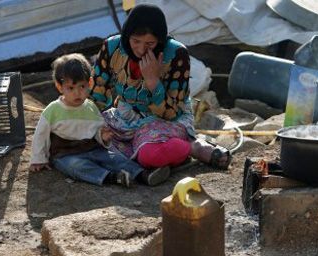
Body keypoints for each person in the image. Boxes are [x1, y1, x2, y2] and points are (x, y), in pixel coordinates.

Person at [89, 4, 232, 172]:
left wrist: (153, 81)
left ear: (160, 41)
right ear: (127, 35)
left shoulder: (176, 54)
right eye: (135, 41)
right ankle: (165, 152)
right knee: (86, 137)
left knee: (149, 154)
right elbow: (97, 93)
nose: (141, 50)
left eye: (150, 43)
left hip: (163, 120)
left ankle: (193, 148)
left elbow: (172, 113)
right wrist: (90, 122)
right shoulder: (112, 47)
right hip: (124, 116)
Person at [29, 53, 170, 186]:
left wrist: (103, 136)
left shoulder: (90, 107)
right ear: (60, 87)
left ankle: (143, 175)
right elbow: (40, 136)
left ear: (90, 83)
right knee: (76, 167)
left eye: (82, 87)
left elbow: (97, 128)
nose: (77, 93)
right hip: (65, 153)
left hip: (93, 148)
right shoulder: (53, 110)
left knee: (116, 158)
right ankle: (112, 177)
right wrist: (38, 159)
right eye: (70, 88)